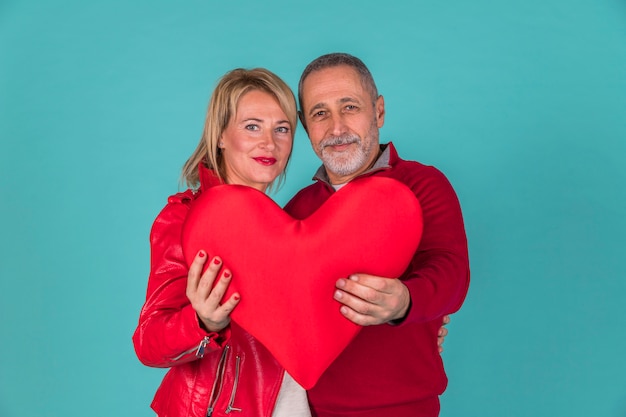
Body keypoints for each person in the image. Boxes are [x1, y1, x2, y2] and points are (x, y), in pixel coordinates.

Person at [133, 66, 451, 417]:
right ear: (220, 135)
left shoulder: (289, 218)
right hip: (224, 408)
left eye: (281, 129)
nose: (269, 142)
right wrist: (203, 323)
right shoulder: (184, 219)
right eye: (252, 126)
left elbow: (319, 308)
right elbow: (149, 343)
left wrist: (417, 319)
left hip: (295, 407)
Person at [284, 53, 470, 417]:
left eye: (349, 107)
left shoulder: (423, 185)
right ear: (306, 126)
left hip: (405, 407)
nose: (336, 128)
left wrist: (405, 302)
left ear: (379, 112)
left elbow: (451, 272)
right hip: (310, 410)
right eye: (320, 113)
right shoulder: (295, 212)